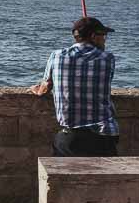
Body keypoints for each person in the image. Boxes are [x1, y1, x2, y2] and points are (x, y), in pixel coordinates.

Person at [31, 17, 119, 156]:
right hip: (103, 136)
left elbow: (44, 89)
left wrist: (35, 89)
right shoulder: (108, 58)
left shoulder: (56, 56)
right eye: (103, 35)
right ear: (93, 36)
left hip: (70, 138)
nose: (105, 40)